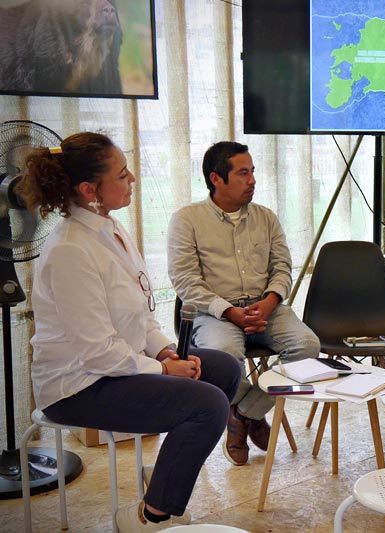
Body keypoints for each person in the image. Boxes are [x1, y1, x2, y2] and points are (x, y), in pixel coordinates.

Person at [19, 132, 241, 532]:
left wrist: (165, 354)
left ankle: (167, 472)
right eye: (122, 175)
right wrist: (163, 372)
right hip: (78, 386)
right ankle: (147, 517)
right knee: (207, 406)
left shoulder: (111, 229)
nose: (133, 178)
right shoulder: (70, 249)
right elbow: (97, 353)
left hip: (114, 367)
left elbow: (141, 315)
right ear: (90, 190)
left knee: (223, 368)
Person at [167, 141, 320, 466]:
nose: (253, 180)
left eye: (253, 172)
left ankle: (244, 413)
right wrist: (230, 311)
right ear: (216, 178)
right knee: (222, 359)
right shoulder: (187, 220)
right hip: (214, 313)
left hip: (266, 309)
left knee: (308, 347)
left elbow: (282, 268)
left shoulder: (266, 217)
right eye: (244, 173)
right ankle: (251, 414)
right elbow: (185, 281)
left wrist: (269, 302)